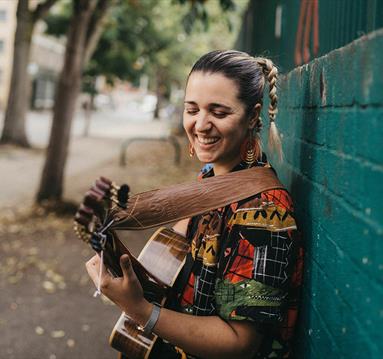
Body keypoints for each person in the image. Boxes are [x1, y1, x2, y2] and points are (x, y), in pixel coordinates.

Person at [86, 50, 304, 359]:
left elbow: (239, 344)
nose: (201, 125)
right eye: (192, 109)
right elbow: (171, 258)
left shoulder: (265, 212)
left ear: (253, 116)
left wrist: (140, 310)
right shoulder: (208, 178)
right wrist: (124, 276)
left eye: (219, 112)